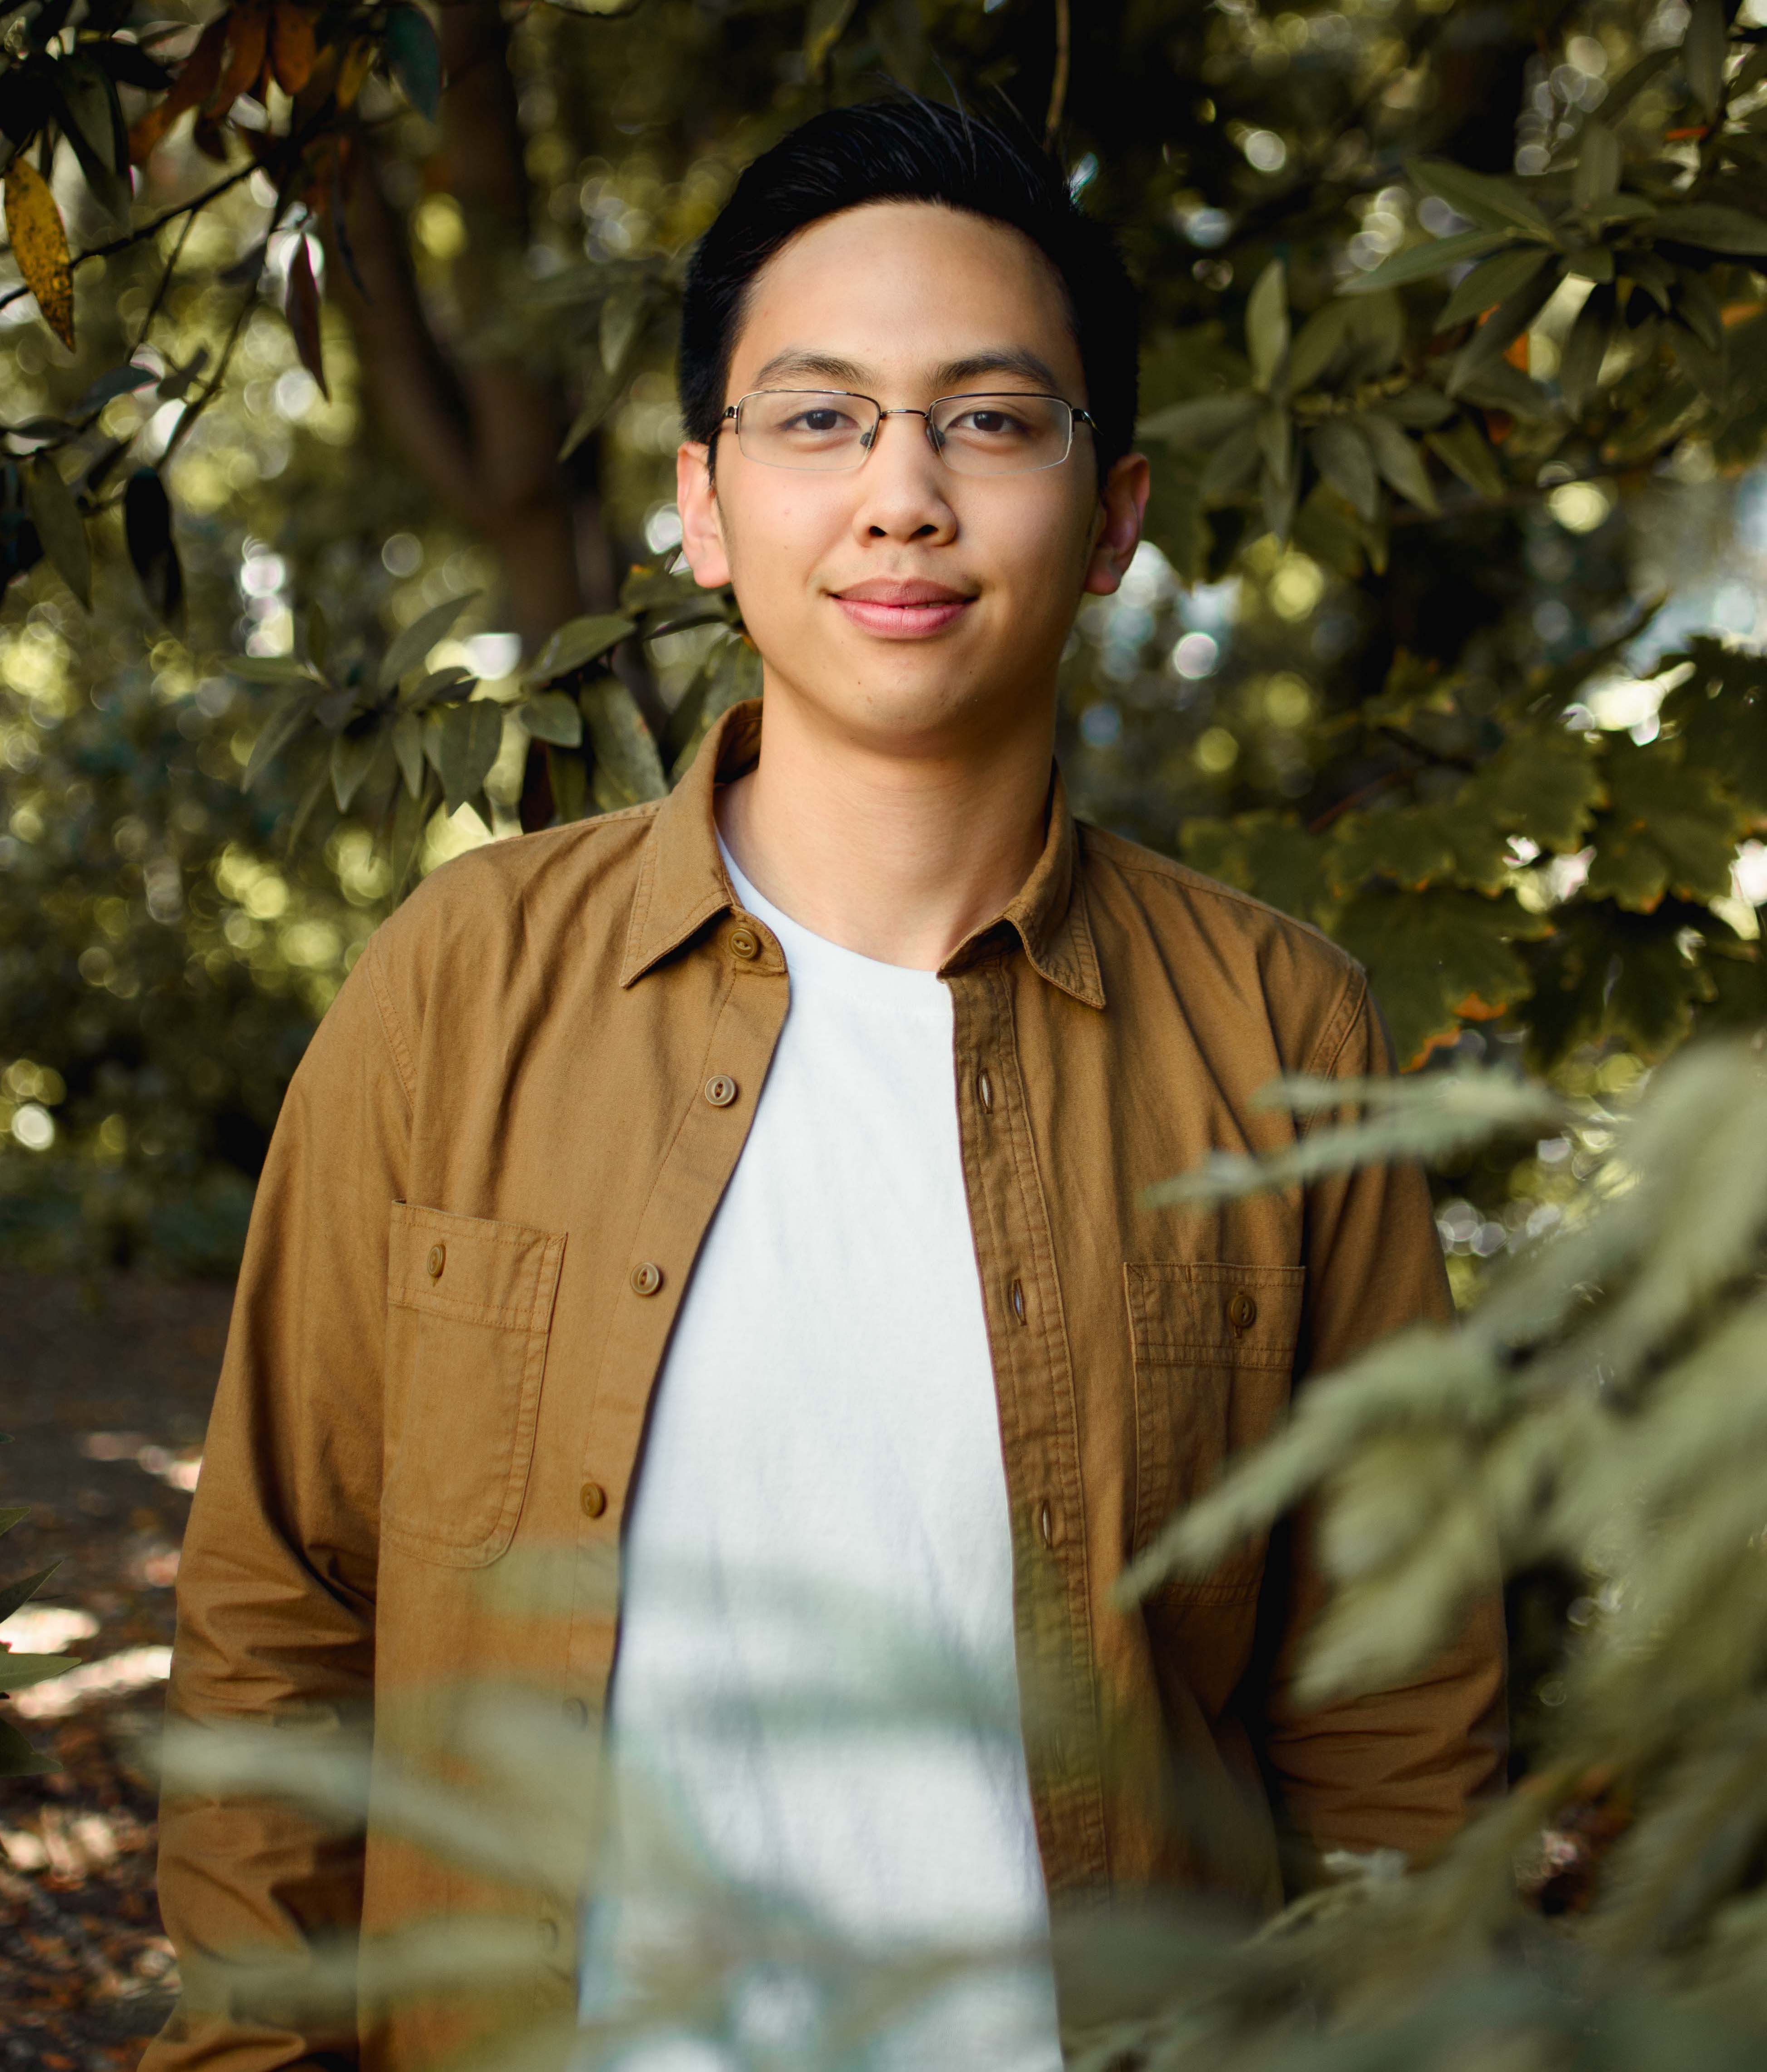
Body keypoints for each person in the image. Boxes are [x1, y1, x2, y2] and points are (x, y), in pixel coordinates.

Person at [145, 95, 1506, 2072]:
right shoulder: (464, 987)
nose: (901, 496)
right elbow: (278, 1629)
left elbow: (1393, 1724)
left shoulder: (1281, 1032)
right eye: (819, 418)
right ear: (704, 506)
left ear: (1113, 514)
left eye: (990, 419)